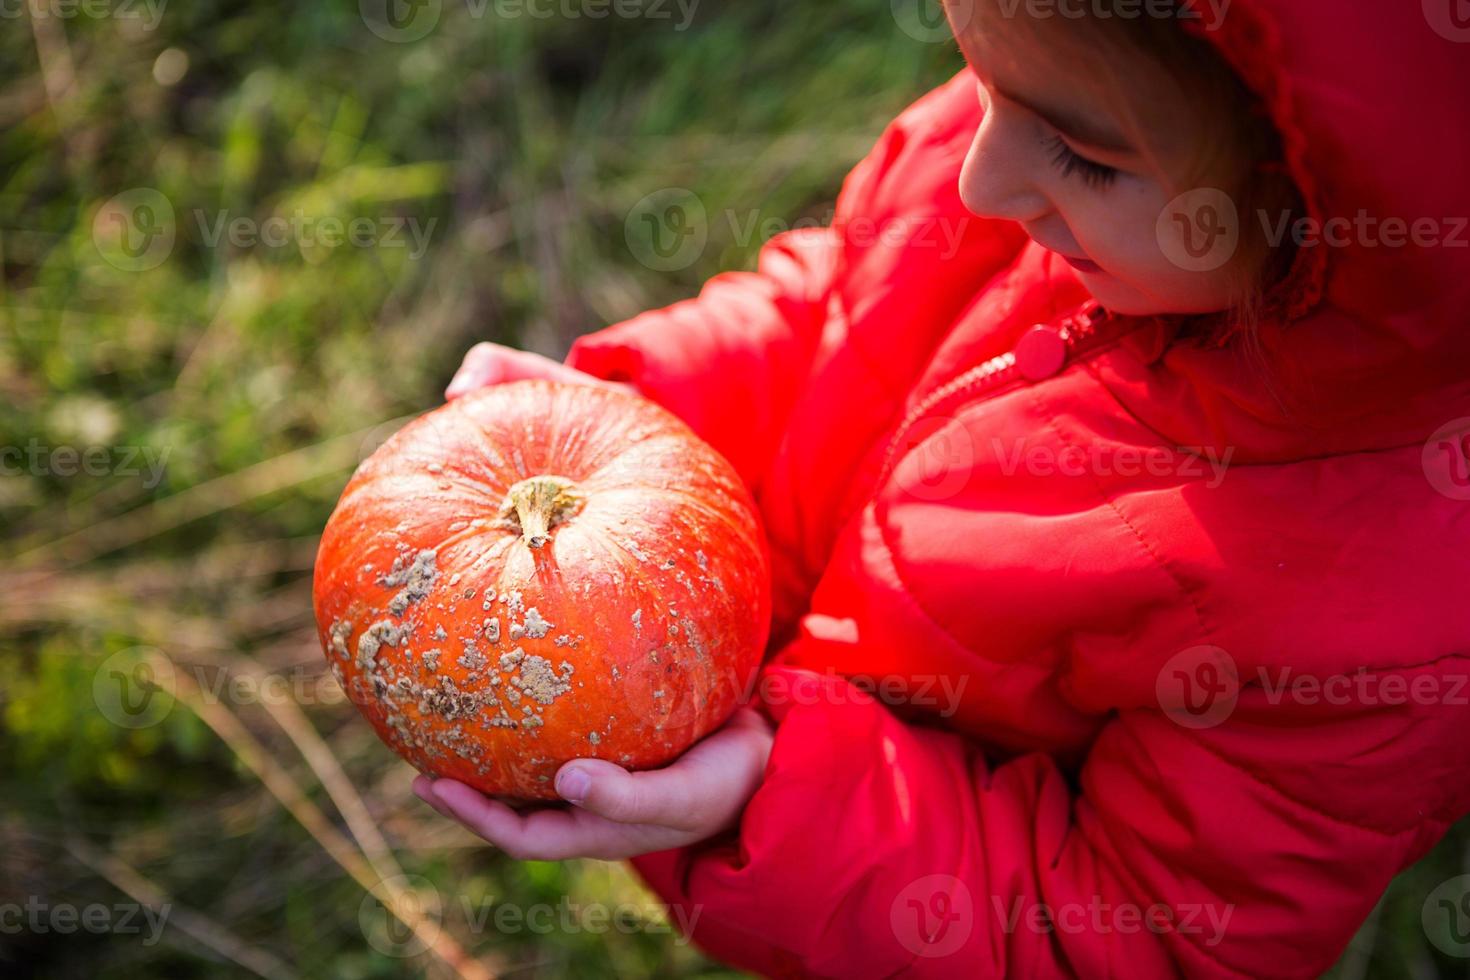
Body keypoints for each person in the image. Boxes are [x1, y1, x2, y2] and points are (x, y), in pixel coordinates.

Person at [418, 0, 1470, 974]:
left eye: (1080, 153)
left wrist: (774, 792)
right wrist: (641, 421)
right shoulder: (1046, 124)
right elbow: (835, 309)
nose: (980, 177)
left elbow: (1127, 935)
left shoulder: (1376, 627)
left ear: (1321, 203)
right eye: (978, 77)